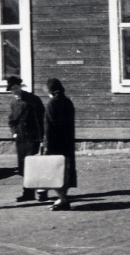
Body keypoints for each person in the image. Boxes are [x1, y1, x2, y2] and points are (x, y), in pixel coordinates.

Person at [6, 75, 45, 202]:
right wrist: (14, 133)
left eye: (16, 88)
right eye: (12, 90)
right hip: (21, 140)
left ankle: (42, 193)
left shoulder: (33, 99)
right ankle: (27, 193)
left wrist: (42, 139)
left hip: (33, 139)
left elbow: (41, 120)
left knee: (36, 166)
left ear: (20, 86)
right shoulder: (13, 103)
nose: (15, 91)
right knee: (23, 167)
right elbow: (11, 121)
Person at [43, 77, 77, 211]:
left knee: (55, 171)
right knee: (65, 171)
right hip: (67, 142)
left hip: (55, 144)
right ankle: (63, 197)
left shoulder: (51, 103)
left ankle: (62, 199)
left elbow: (49, 126)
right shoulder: (68, 102)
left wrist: (47, 145)